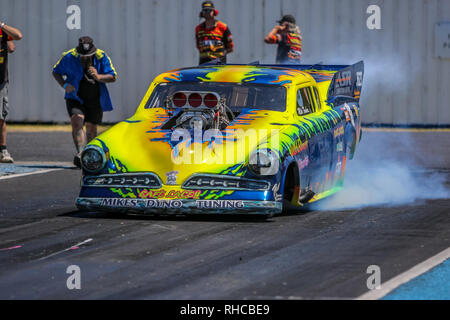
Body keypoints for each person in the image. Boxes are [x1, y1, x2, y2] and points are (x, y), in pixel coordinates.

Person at [52, 36, 117, 168]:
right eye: (82, 55)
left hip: (95, 97)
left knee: (91, 128)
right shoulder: (69, 57)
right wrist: (65, 85)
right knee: (77, 120)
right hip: (75, 97)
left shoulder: (101, 57)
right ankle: (81, 153)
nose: (85, 58)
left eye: (88, 55)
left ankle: (91, 156)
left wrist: (99, 76)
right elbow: (56, 72)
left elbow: (113, 76)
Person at [0, 20, 22, 163]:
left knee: (1, 116)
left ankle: (3, 150)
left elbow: (17, 37)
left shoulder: (2, 32)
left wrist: (2, 27)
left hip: (0, 80)